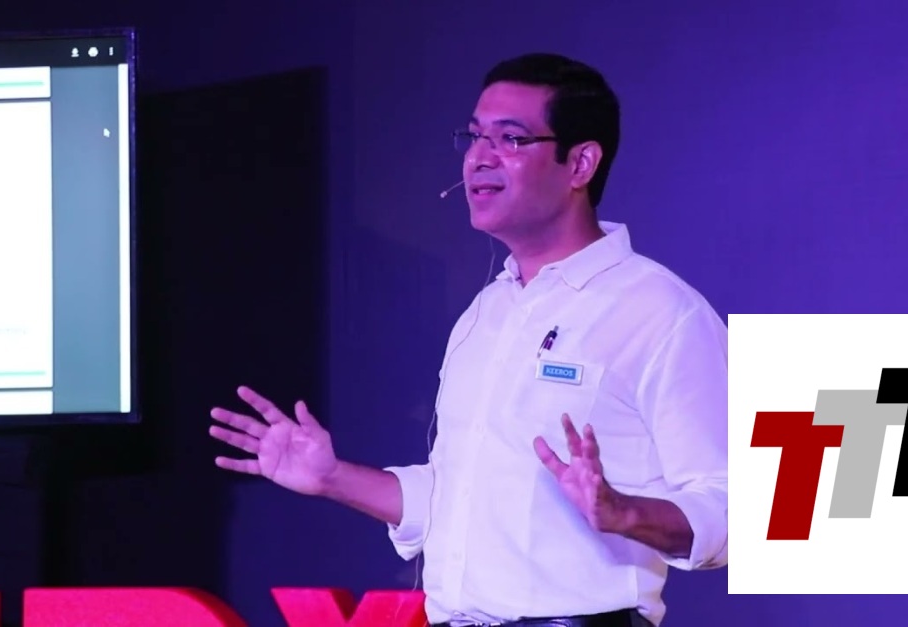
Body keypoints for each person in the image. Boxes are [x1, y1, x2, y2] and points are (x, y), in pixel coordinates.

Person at [209, 52, 728, 627]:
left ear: (580, 163)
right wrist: (331, 477)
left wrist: (624, 512)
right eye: (474, 136)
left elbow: (739, 508)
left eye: (510, 139)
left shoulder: (661, 311)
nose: (479, 158)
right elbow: (457, 498)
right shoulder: (486, 313)